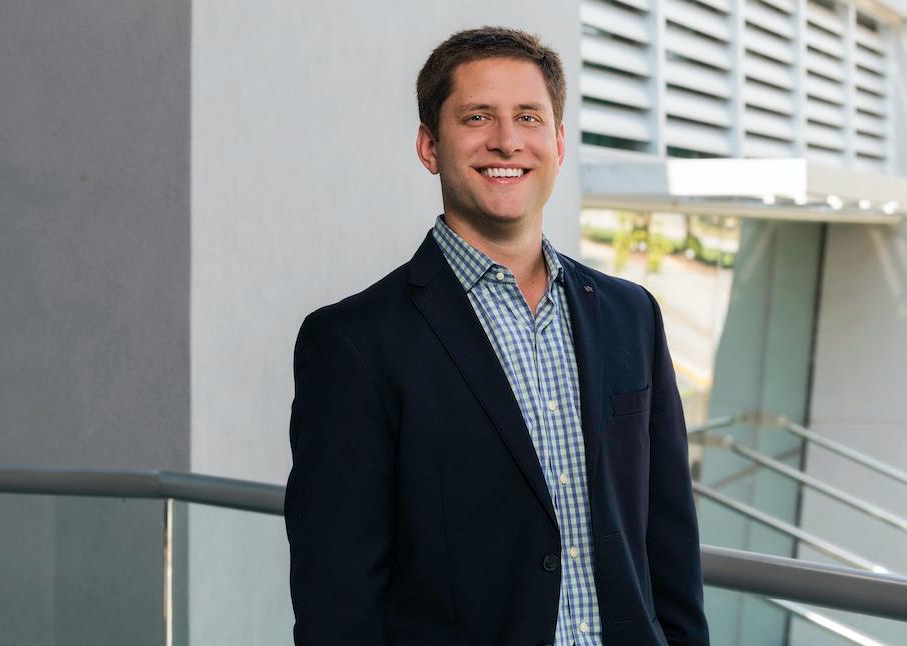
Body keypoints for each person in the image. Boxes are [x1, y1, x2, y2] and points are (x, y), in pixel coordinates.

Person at [284, 26, 709, 645]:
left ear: (559, 143)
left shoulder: (630, 315)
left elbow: (671, 546)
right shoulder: (352, 343)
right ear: (430, 146)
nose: (507, 141)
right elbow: (337, 601)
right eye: (477, 117)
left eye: (529, 117)